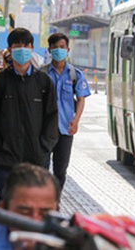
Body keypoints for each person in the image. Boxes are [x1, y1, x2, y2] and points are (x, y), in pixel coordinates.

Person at [0, 27, 58, 203]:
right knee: (5, 203)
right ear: (10, 50)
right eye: (17, 45)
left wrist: (44, 147)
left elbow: (52, 118)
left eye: (25, 45)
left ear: (32, 48)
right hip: (5, 158)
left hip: (36, 159)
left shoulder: (44, 82)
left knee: (34, 205)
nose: (21, 49)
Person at [41, 33, 91, 189]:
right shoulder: (41, 74)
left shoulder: (75, 74)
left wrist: (76, 120)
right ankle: (43, 201)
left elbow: (81, 99)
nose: (58, 51)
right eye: (54, 48)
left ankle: (55, 200)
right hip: (44, 129)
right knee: (41, 169)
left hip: (65, 129)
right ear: (49, 50)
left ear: (68, 49)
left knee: (60, 171)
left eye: (62, 47)